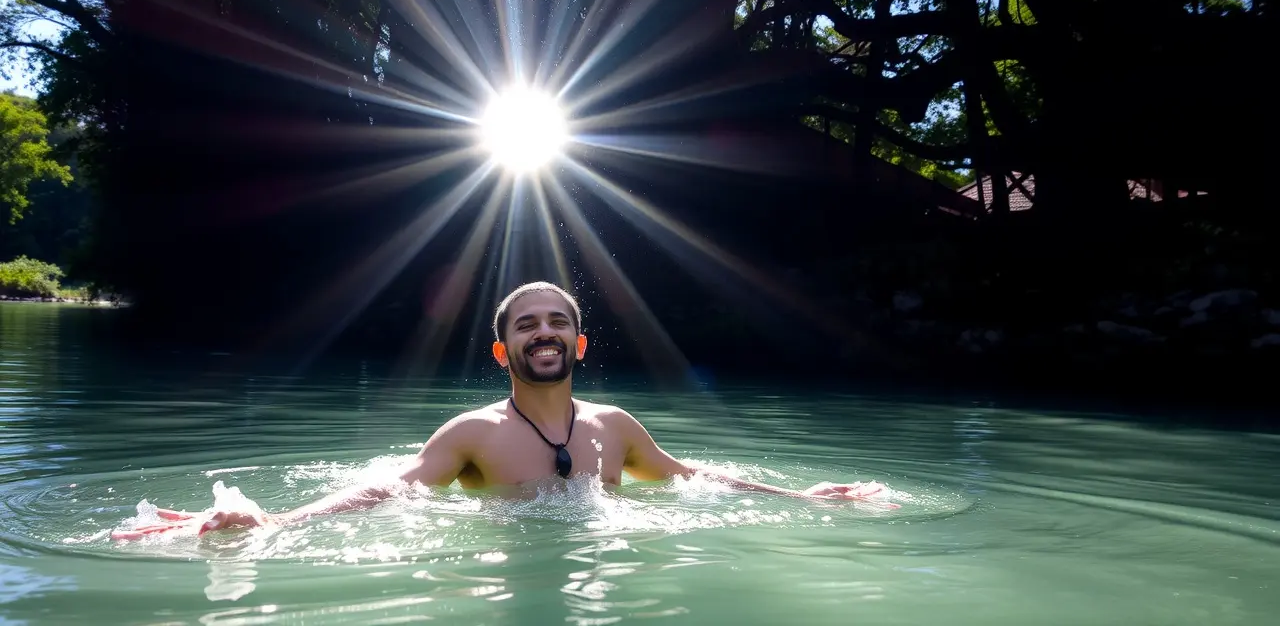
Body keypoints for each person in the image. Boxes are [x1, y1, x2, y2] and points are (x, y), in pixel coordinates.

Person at [119, 282, 892, 538]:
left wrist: (800, 496)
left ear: (579, 344)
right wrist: (278, 524)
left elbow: (694, 479)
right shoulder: (471, 433)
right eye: (526, 323)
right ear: (503, 352)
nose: (545, 331)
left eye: (558, 320)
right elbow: (389, 489)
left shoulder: (616, 429)